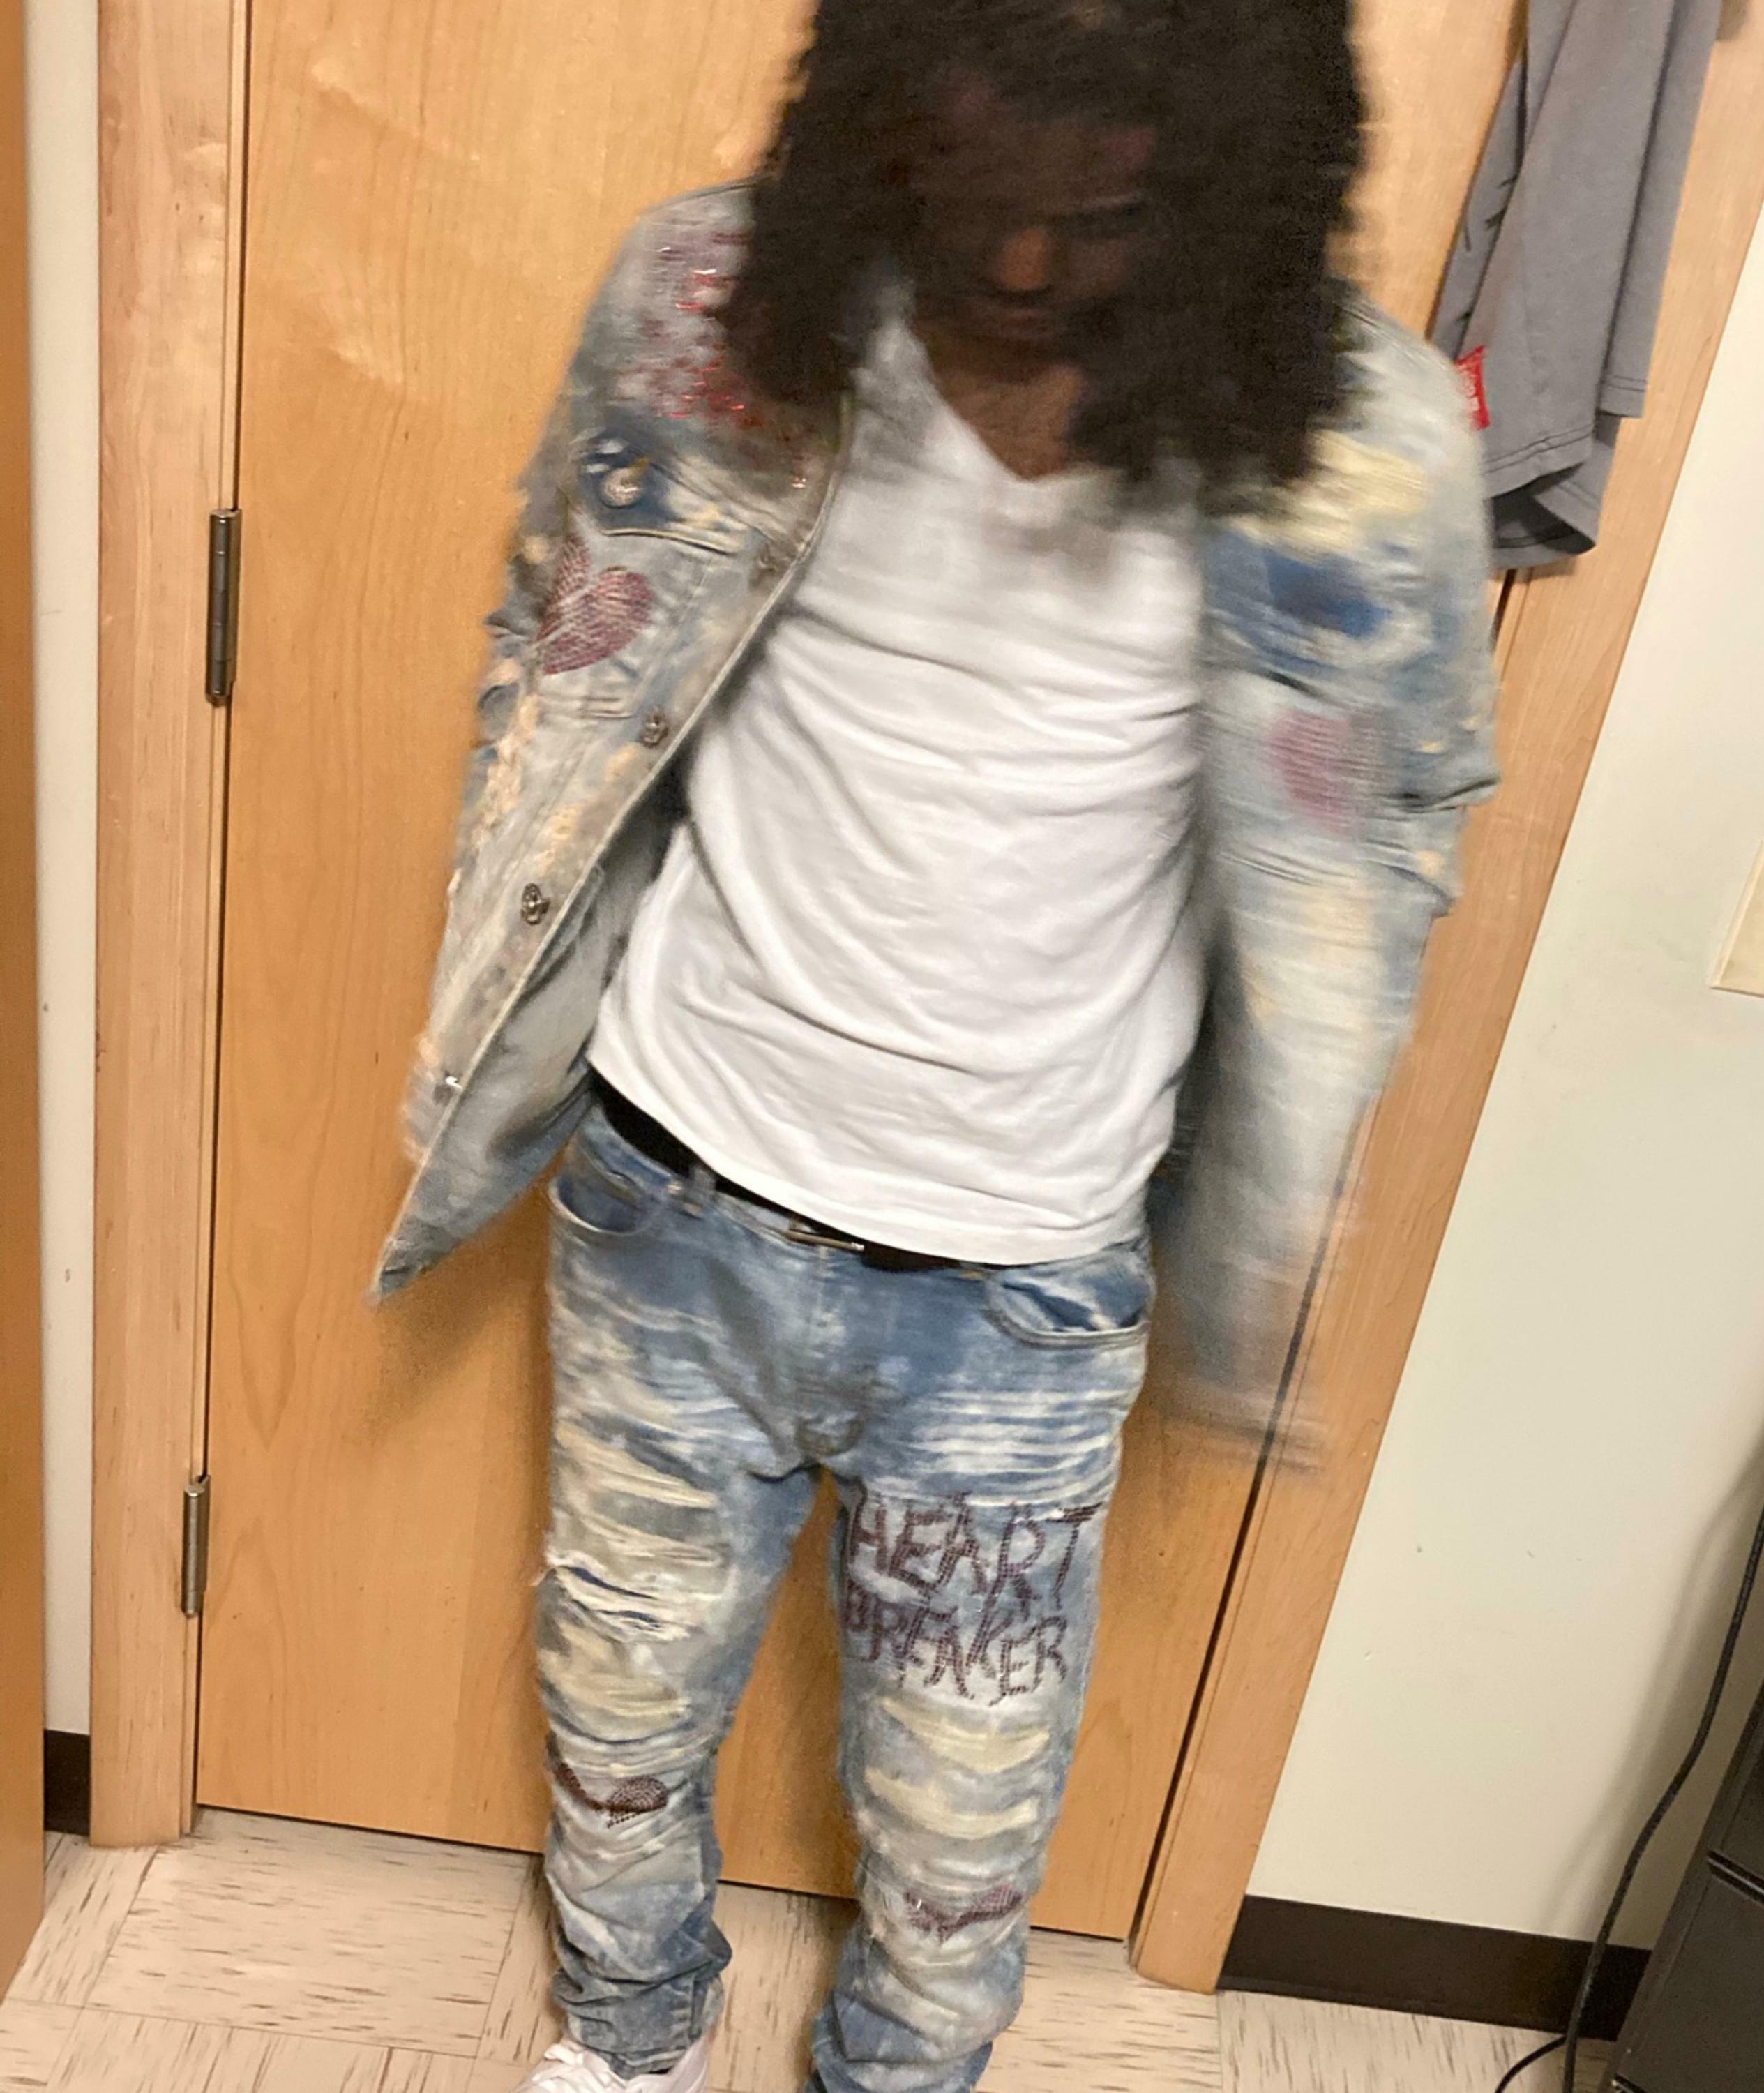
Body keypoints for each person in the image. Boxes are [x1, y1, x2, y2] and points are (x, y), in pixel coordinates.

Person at [375, 1, 1498, 2087]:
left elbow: (1390, 834)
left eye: (1106, 216)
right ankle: (628, 2040)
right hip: (671, 1185)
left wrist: (1271, 1223)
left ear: (1227, 180)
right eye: (971, 193)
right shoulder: (713, 305)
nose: (1024, 269)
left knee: (965, 1822)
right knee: (618, 1705)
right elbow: (563, 647)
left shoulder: (1361, 442)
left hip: (1022, 1276)